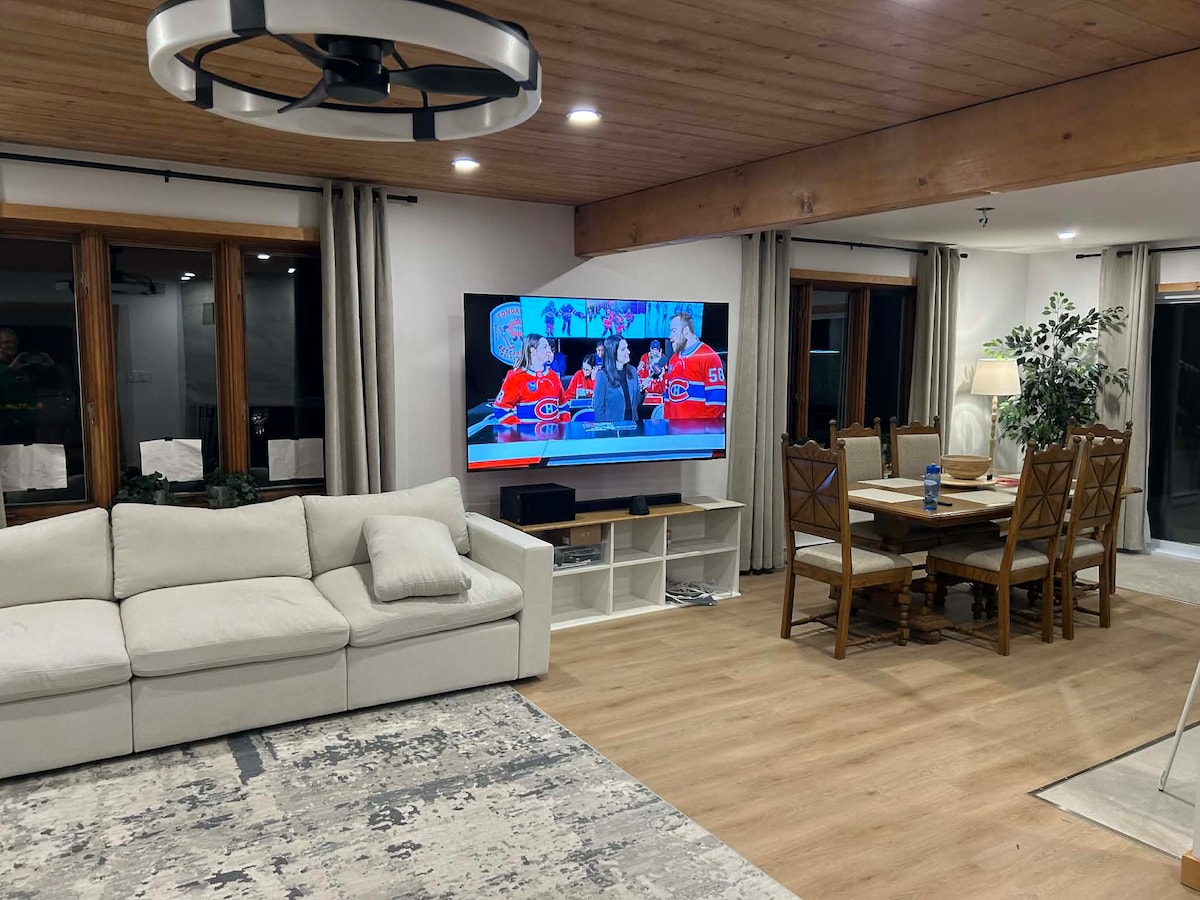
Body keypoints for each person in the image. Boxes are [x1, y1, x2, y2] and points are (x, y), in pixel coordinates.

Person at [493, 333, 567, 425]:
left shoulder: (553, 376)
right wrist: (520, 429)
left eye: (549, 347)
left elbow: (563, 406)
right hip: (528, 434)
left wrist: (564, 427)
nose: (549, 351)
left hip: (555, 433)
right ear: (533, 351)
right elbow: (500, 409)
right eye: (545, 347)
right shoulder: (516, 378)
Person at [663, 312, 726, 420]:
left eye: (673, 331)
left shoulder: (709, 356)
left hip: (698, 430)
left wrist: (701, 428)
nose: (670, 337)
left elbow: (716, 402)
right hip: (673, 429)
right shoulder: (673, 359)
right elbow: (668, 399)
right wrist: (667, 424)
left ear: (686, 331)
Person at [592, 336, 641, 424]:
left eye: (627, 348)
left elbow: (636, 403)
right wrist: (603, 430)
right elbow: (599, 408)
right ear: (613, 353)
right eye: (623, 349)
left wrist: (642, 391)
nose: (628, 352)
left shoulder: (633, 371)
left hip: (632, 426)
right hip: (612, 429)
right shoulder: (602, 376)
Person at [637, 339, 667, 407]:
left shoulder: (663, 359)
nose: (655, 352)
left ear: (660, 350)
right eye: (653, 349)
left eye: (657, 350)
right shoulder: (645, 358)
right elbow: (639, 372)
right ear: (651, 349)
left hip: (660, 392)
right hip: (647, 391)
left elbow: (667, 375)